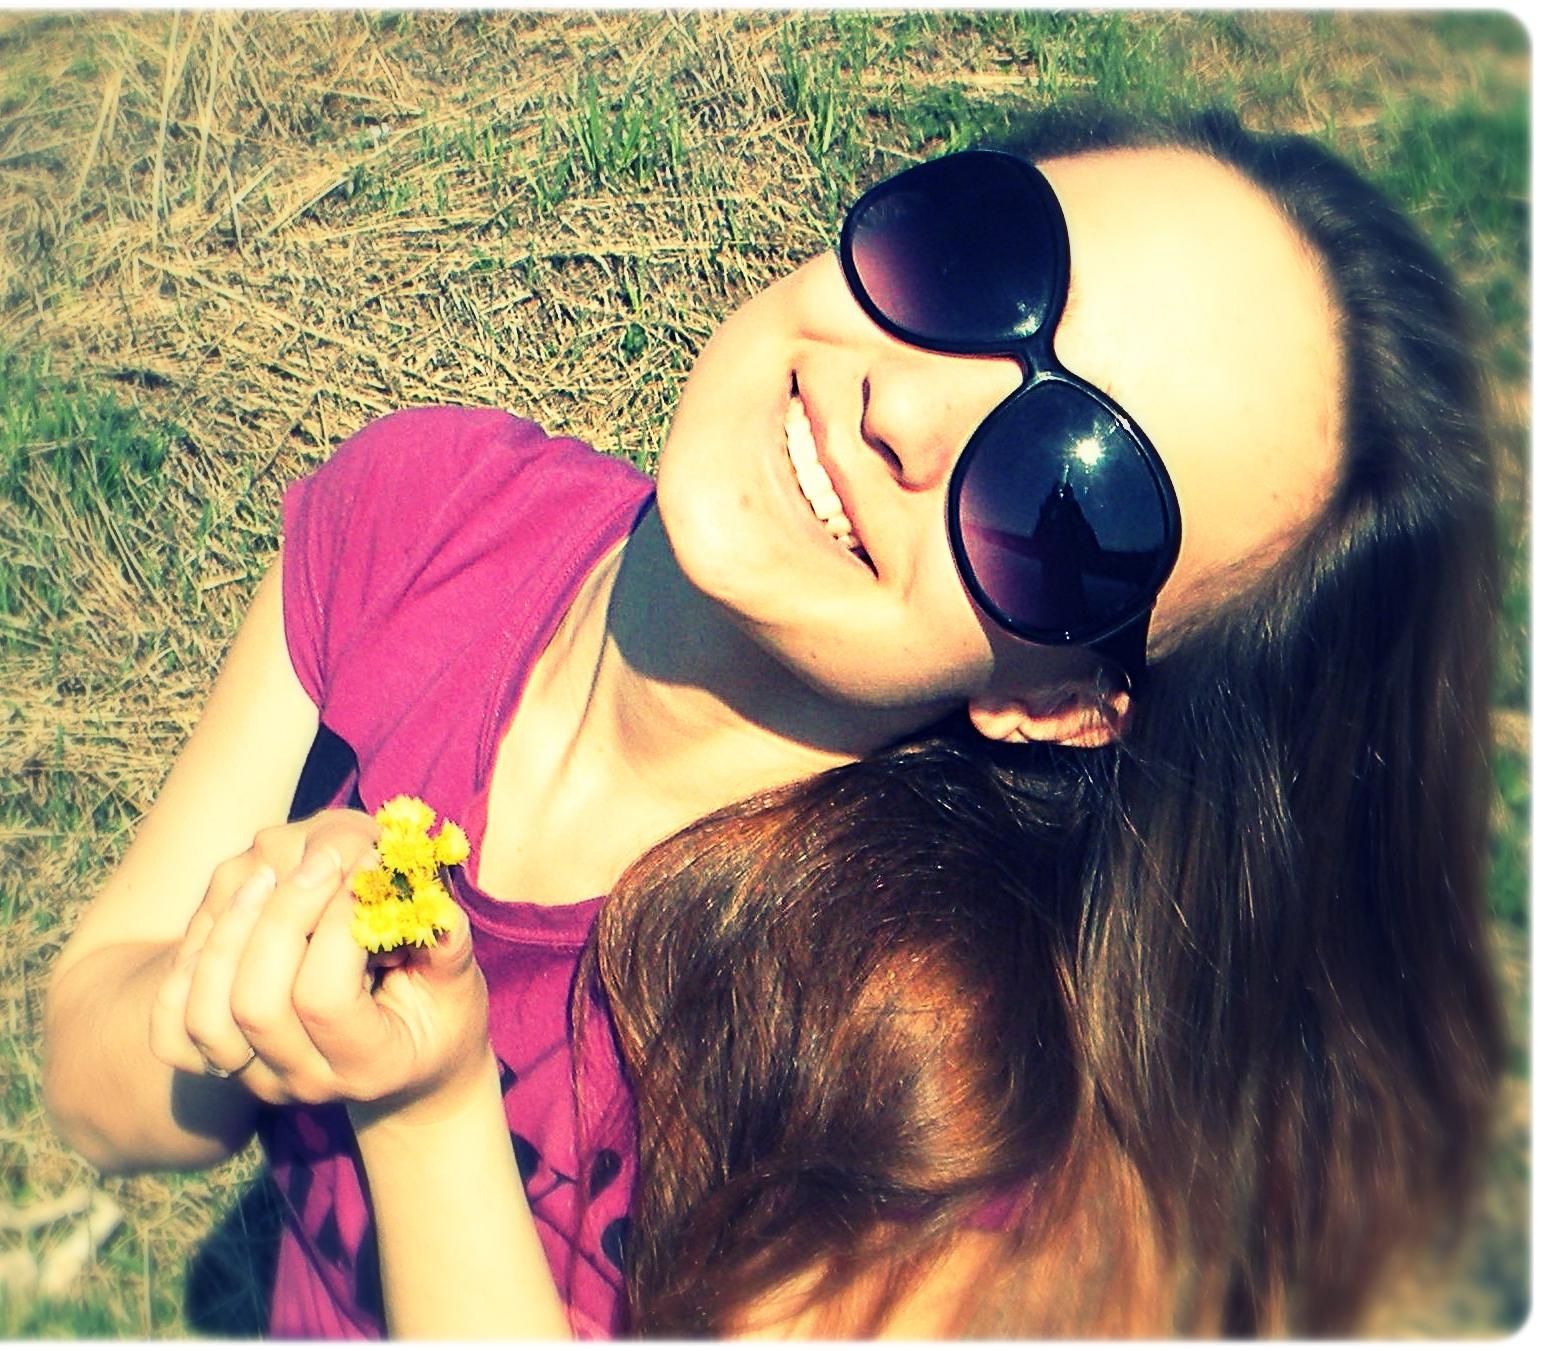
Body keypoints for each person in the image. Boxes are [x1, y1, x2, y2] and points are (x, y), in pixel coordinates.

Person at [40, 102, 1503, 1337]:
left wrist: (427, 1121)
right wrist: (237, 995)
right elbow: (98, 1095)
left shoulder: (938, 1109)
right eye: (977, 255)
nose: (905, 411)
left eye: (1069, 497)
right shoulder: (414, 520)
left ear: (1057, 698)